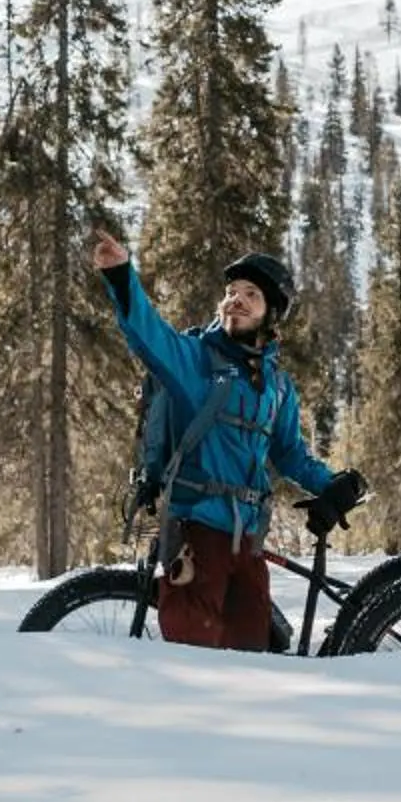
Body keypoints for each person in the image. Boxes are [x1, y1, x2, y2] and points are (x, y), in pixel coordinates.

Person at [86, 229, 365, 650]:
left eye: (251, 294)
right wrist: (122, 275)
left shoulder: (278, 387)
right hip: (199, 531)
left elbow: (290, 453)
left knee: (253, 658)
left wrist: (331, 485)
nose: (236, 298)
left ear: (272, 313)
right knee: (193, 654)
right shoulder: (196, 360)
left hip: (249, 543)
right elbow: (149, 334)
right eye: (232, 291)